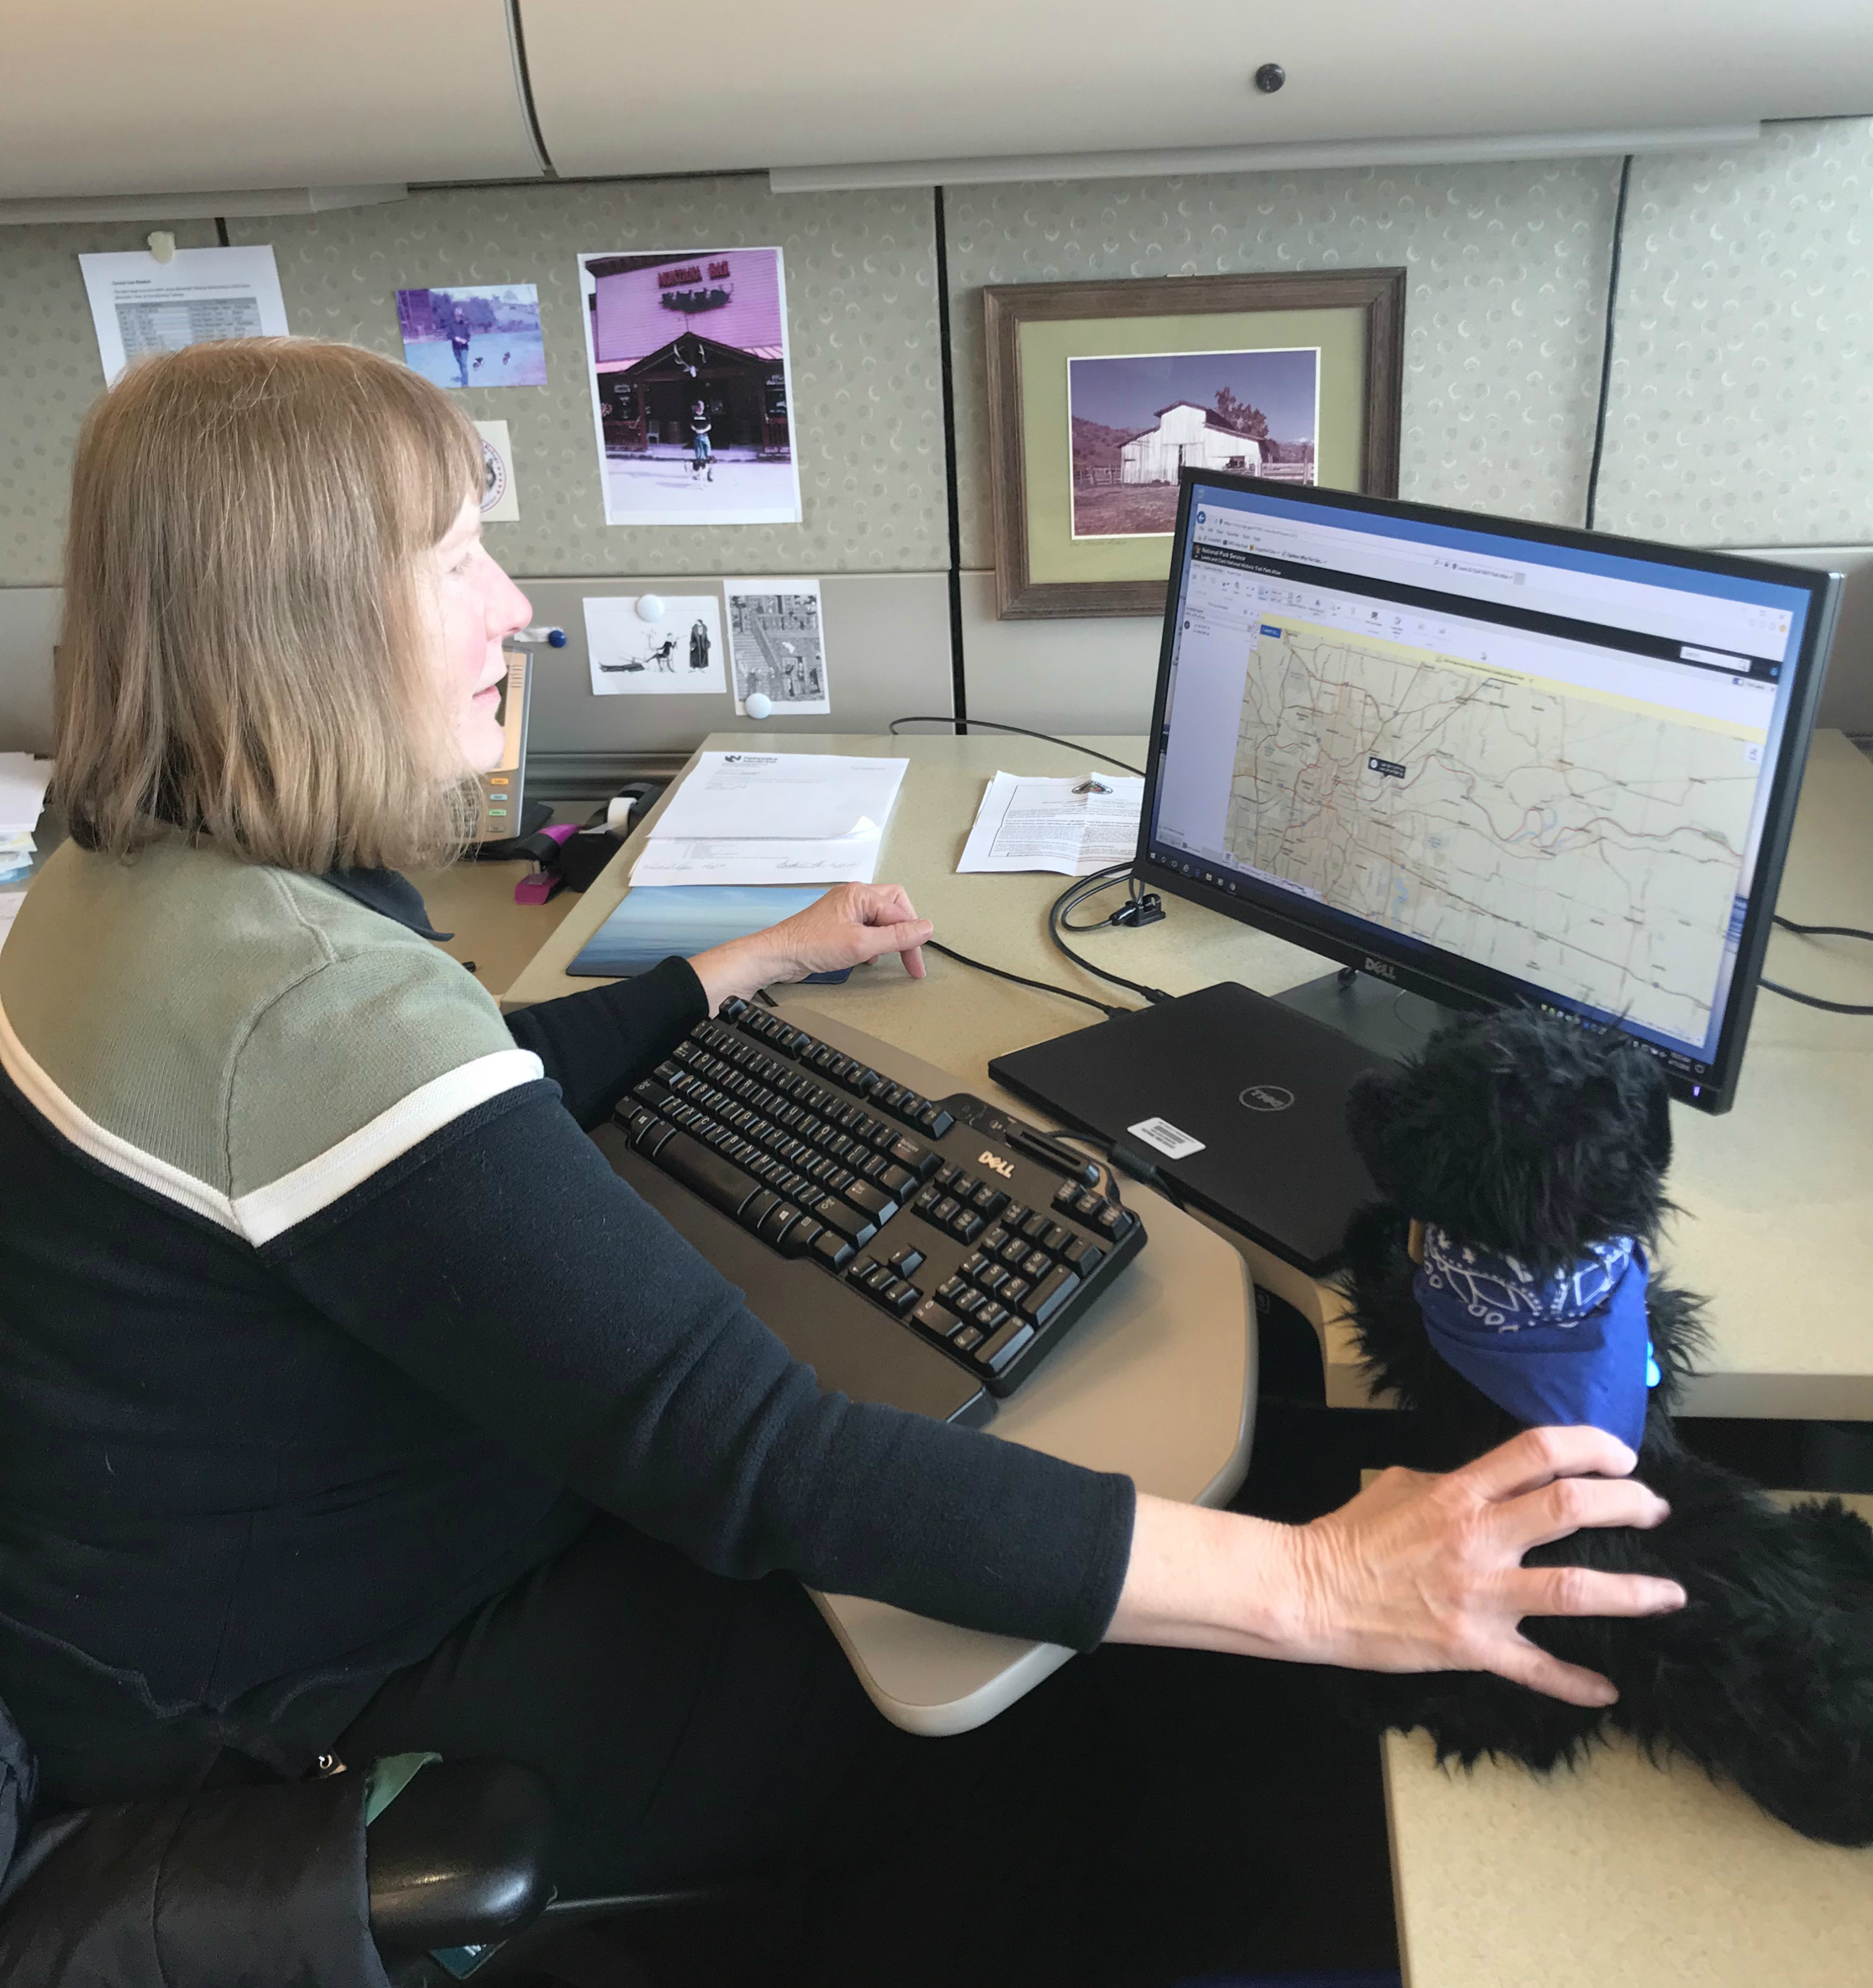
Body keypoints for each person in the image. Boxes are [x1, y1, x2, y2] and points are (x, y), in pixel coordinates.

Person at [0, 340, 1684, 1981]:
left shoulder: (126, 880)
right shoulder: (303, 999)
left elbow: (457, 1095)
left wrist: (722, 976)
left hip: (182, 1613)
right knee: (965, 1673)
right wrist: (1318, 1577)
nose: (516, 607)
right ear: (294, 628)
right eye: (455, 556)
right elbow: (751, 1453)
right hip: (307, 1720)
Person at [690, 394, 713, 481]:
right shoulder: (693, 416)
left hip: (704, 436)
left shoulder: (706, 415)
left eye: (701, 406)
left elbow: (710, 426)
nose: (700, 407)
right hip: (697, 436)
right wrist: (696, 430)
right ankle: (699, 473)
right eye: (699, 406)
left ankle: (709, 473)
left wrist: (703, 430)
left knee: (708, 455)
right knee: (699, 456)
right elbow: (691, 425)